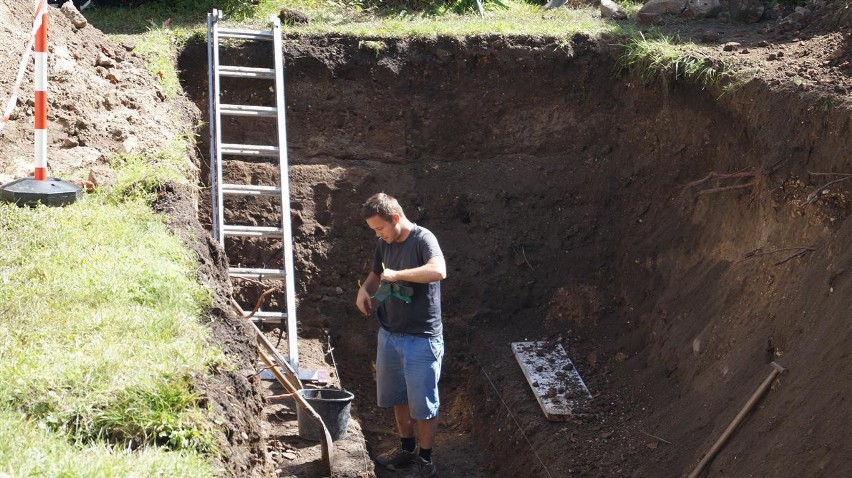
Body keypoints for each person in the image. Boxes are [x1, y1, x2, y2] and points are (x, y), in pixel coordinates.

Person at [355, 192, 446, 478]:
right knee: (399, 397)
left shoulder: (423, 239)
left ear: (395, 218)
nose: (378, 235)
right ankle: (406, 451)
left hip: (421, 337)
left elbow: (438, 270)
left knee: (424, 405)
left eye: (380, 228)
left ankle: (426, 461)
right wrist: (363, 290)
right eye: (374, 231)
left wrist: (399, 275)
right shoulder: (383, 243)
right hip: (390, 334)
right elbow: (375, 275)